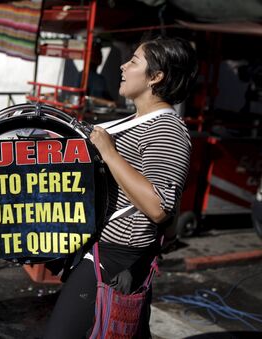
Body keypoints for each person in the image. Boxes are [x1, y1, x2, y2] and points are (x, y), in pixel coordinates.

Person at [44, 36, 198, 338]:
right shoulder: (140, 120)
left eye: (134, 61)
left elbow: (160, 207)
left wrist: (109, 152)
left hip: (116, 259)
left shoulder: (167, 128)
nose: (123, 66)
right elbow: (170, 217)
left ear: (156, 77)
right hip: (112, 256)